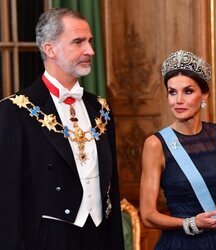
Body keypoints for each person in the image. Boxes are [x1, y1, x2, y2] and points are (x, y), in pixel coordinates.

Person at [0, 8, 124, 250]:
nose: (90, 51)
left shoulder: (101, 109)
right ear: (50, 49)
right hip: (47, 239)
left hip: (98, 237)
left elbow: (112, 190)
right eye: (78, 42)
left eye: (89, 41)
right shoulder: (15, 111)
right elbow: (7, 199)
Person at [140, 49, 216, 249]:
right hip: (183, 242)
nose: (178, 100)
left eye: (188, 91)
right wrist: (191, 223)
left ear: (204, 94)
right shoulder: (156, 144)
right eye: (172, 92)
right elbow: (148, 216)